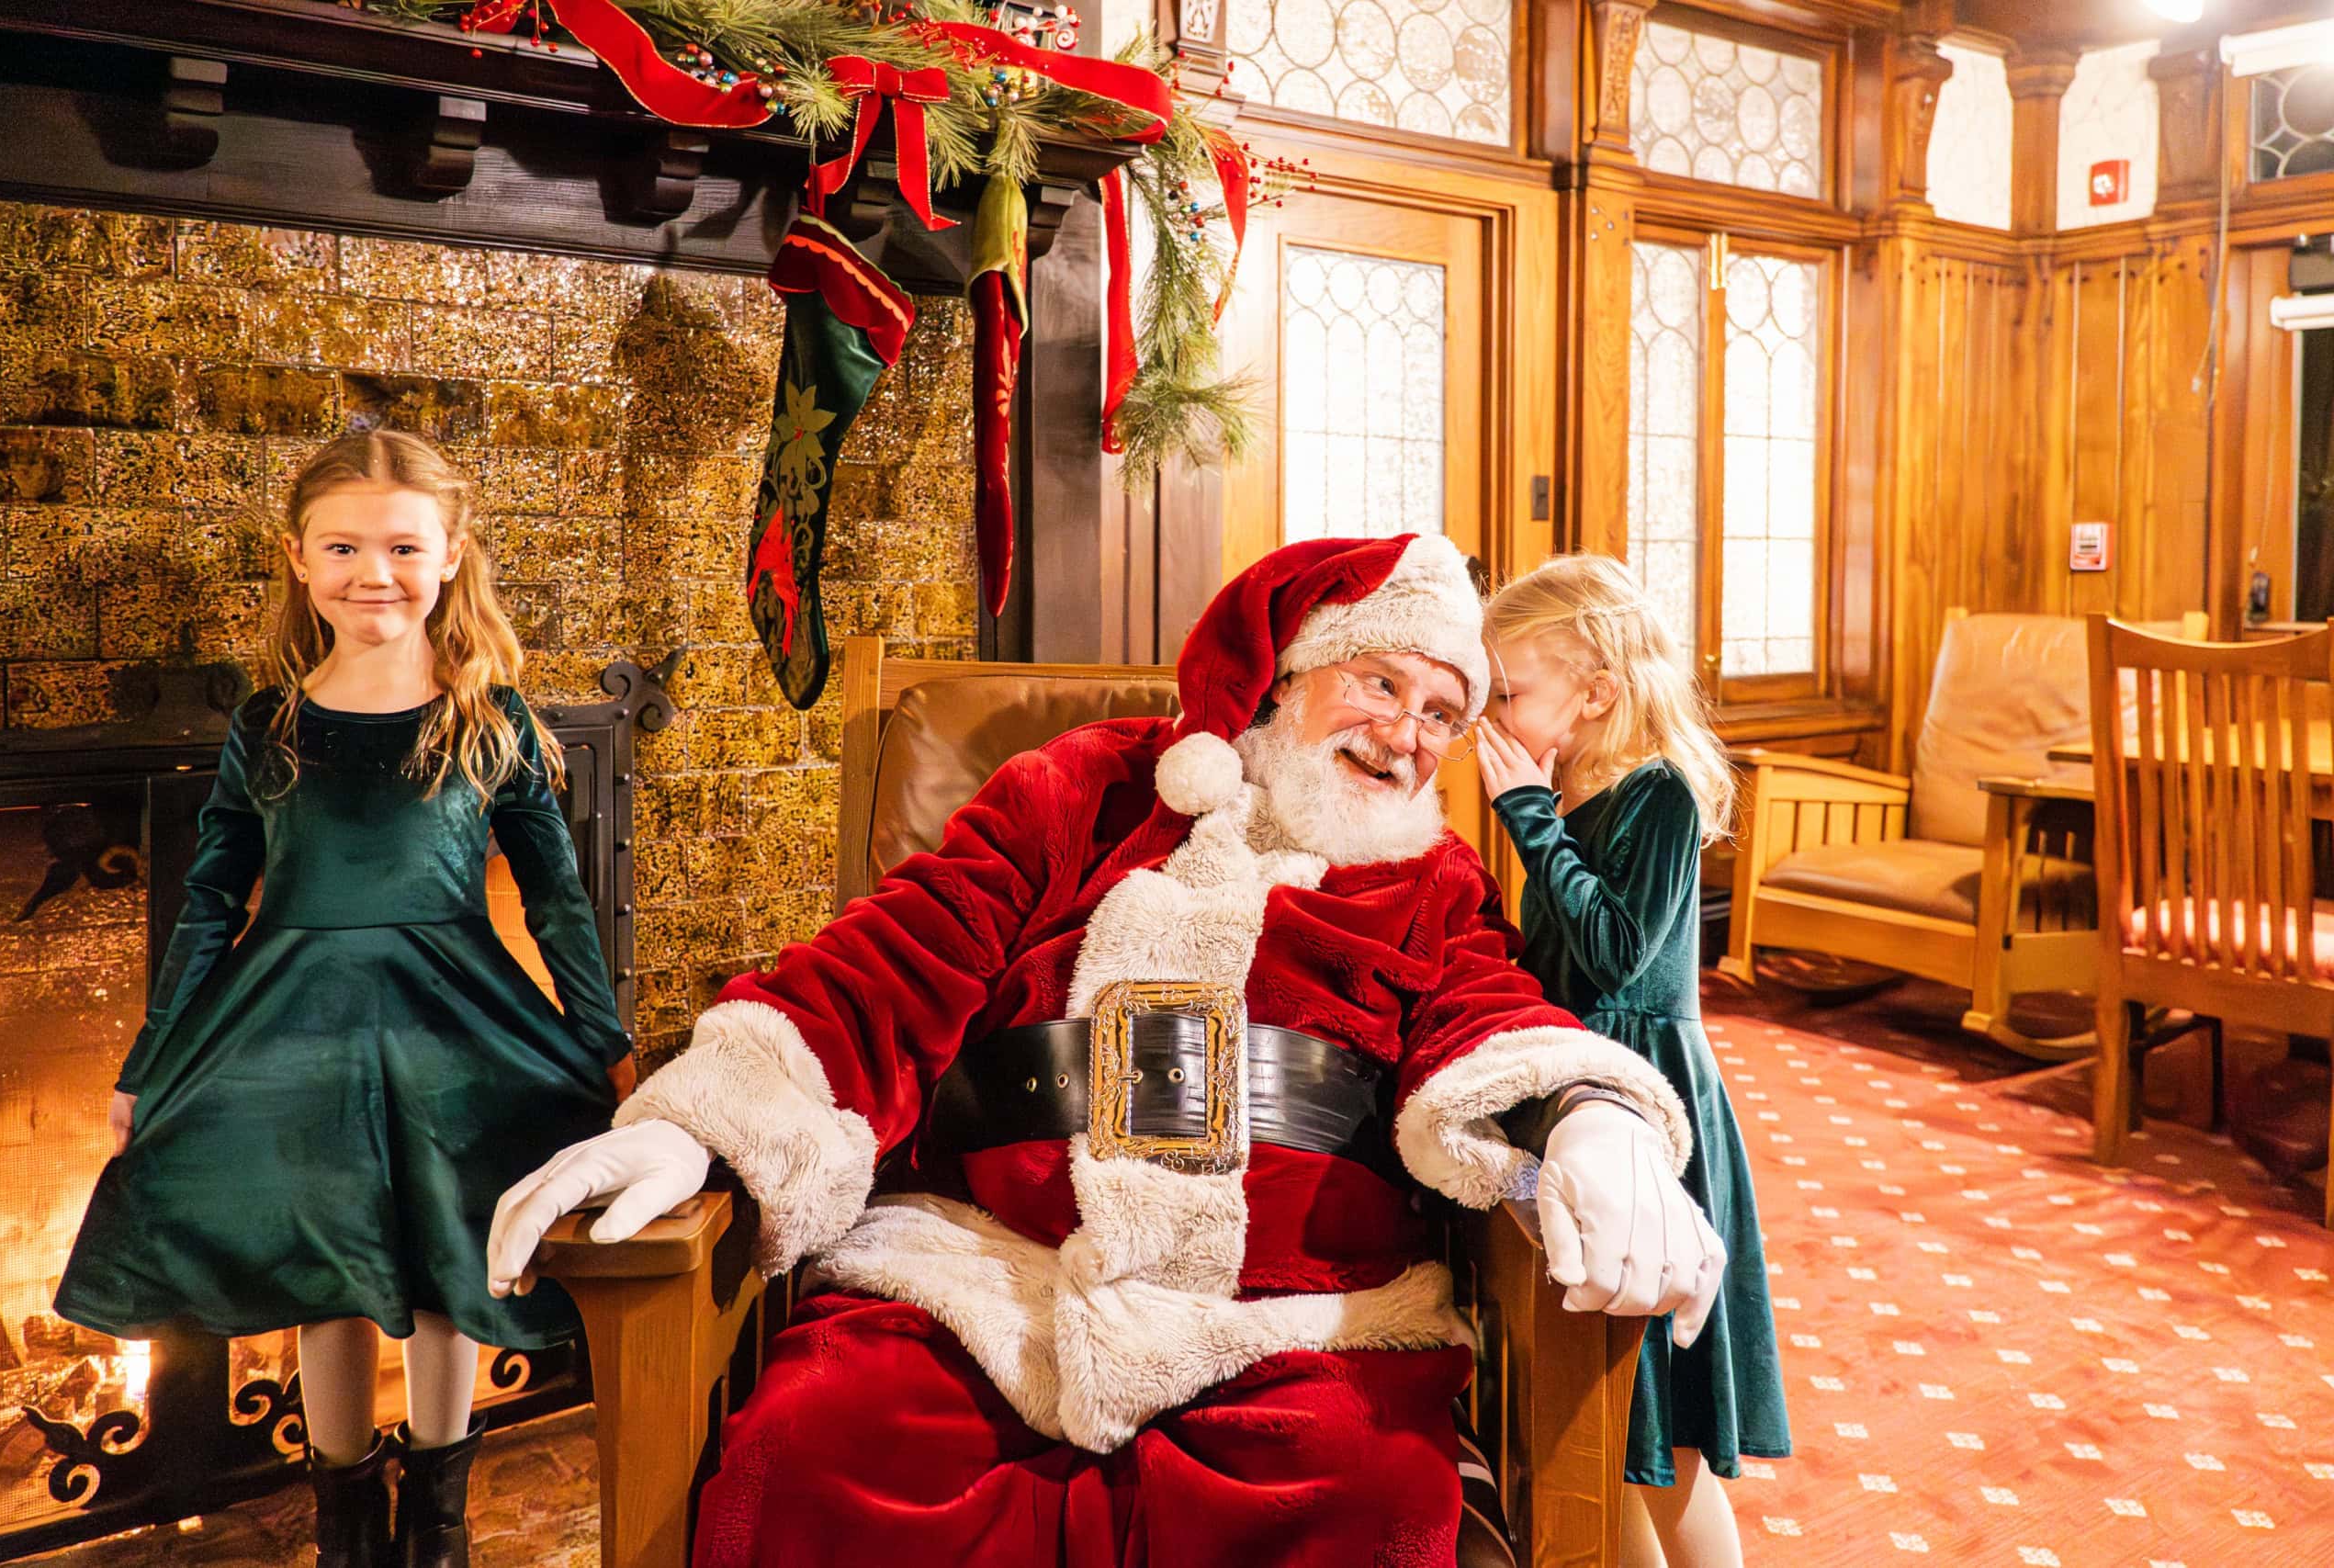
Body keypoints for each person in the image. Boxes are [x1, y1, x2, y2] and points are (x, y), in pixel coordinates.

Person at [487, 533, 1727, 1567]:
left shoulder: (1430, 873)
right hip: (988, 1279)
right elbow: (893, 959)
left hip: (1291, 1324)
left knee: (1368, 1504)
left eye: (1446, 713)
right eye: (1384, 684)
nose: (1410, 733)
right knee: (817, 1443)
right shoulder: (1080, 787)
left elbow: (1492, 1007)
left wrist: (1595, 1119)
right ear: (1291, 673)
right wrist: (694, 1118)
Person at [55, 431, 635, 1568]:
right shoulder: (267, 729)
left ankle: (441, 1520)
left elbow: (560, 898)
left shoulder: (492, 719)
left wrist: (606, 1049)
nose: (376, 572)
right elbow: (210, 908)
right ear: (298, 558)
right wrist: (147, 1066)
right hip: (293, 1025)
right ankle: (344, 1522)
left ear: (452, 554)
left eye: (405, 546)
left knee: (439, 1265)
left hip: (454, 1024)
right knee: (326, 1272)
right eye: (345, 547)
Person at [1475, 554, 1789, 1568]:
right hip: (1579, 1086)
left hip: (1648, 1098)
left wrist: (1526, 817)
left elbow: (1614, 955)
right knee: (1598, 1414)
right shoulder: (1573, 792)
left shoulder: (1659, 795)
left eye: (1509, 692)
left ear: (1598, 689)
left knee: (1661, 1420)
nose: (1493, 715)